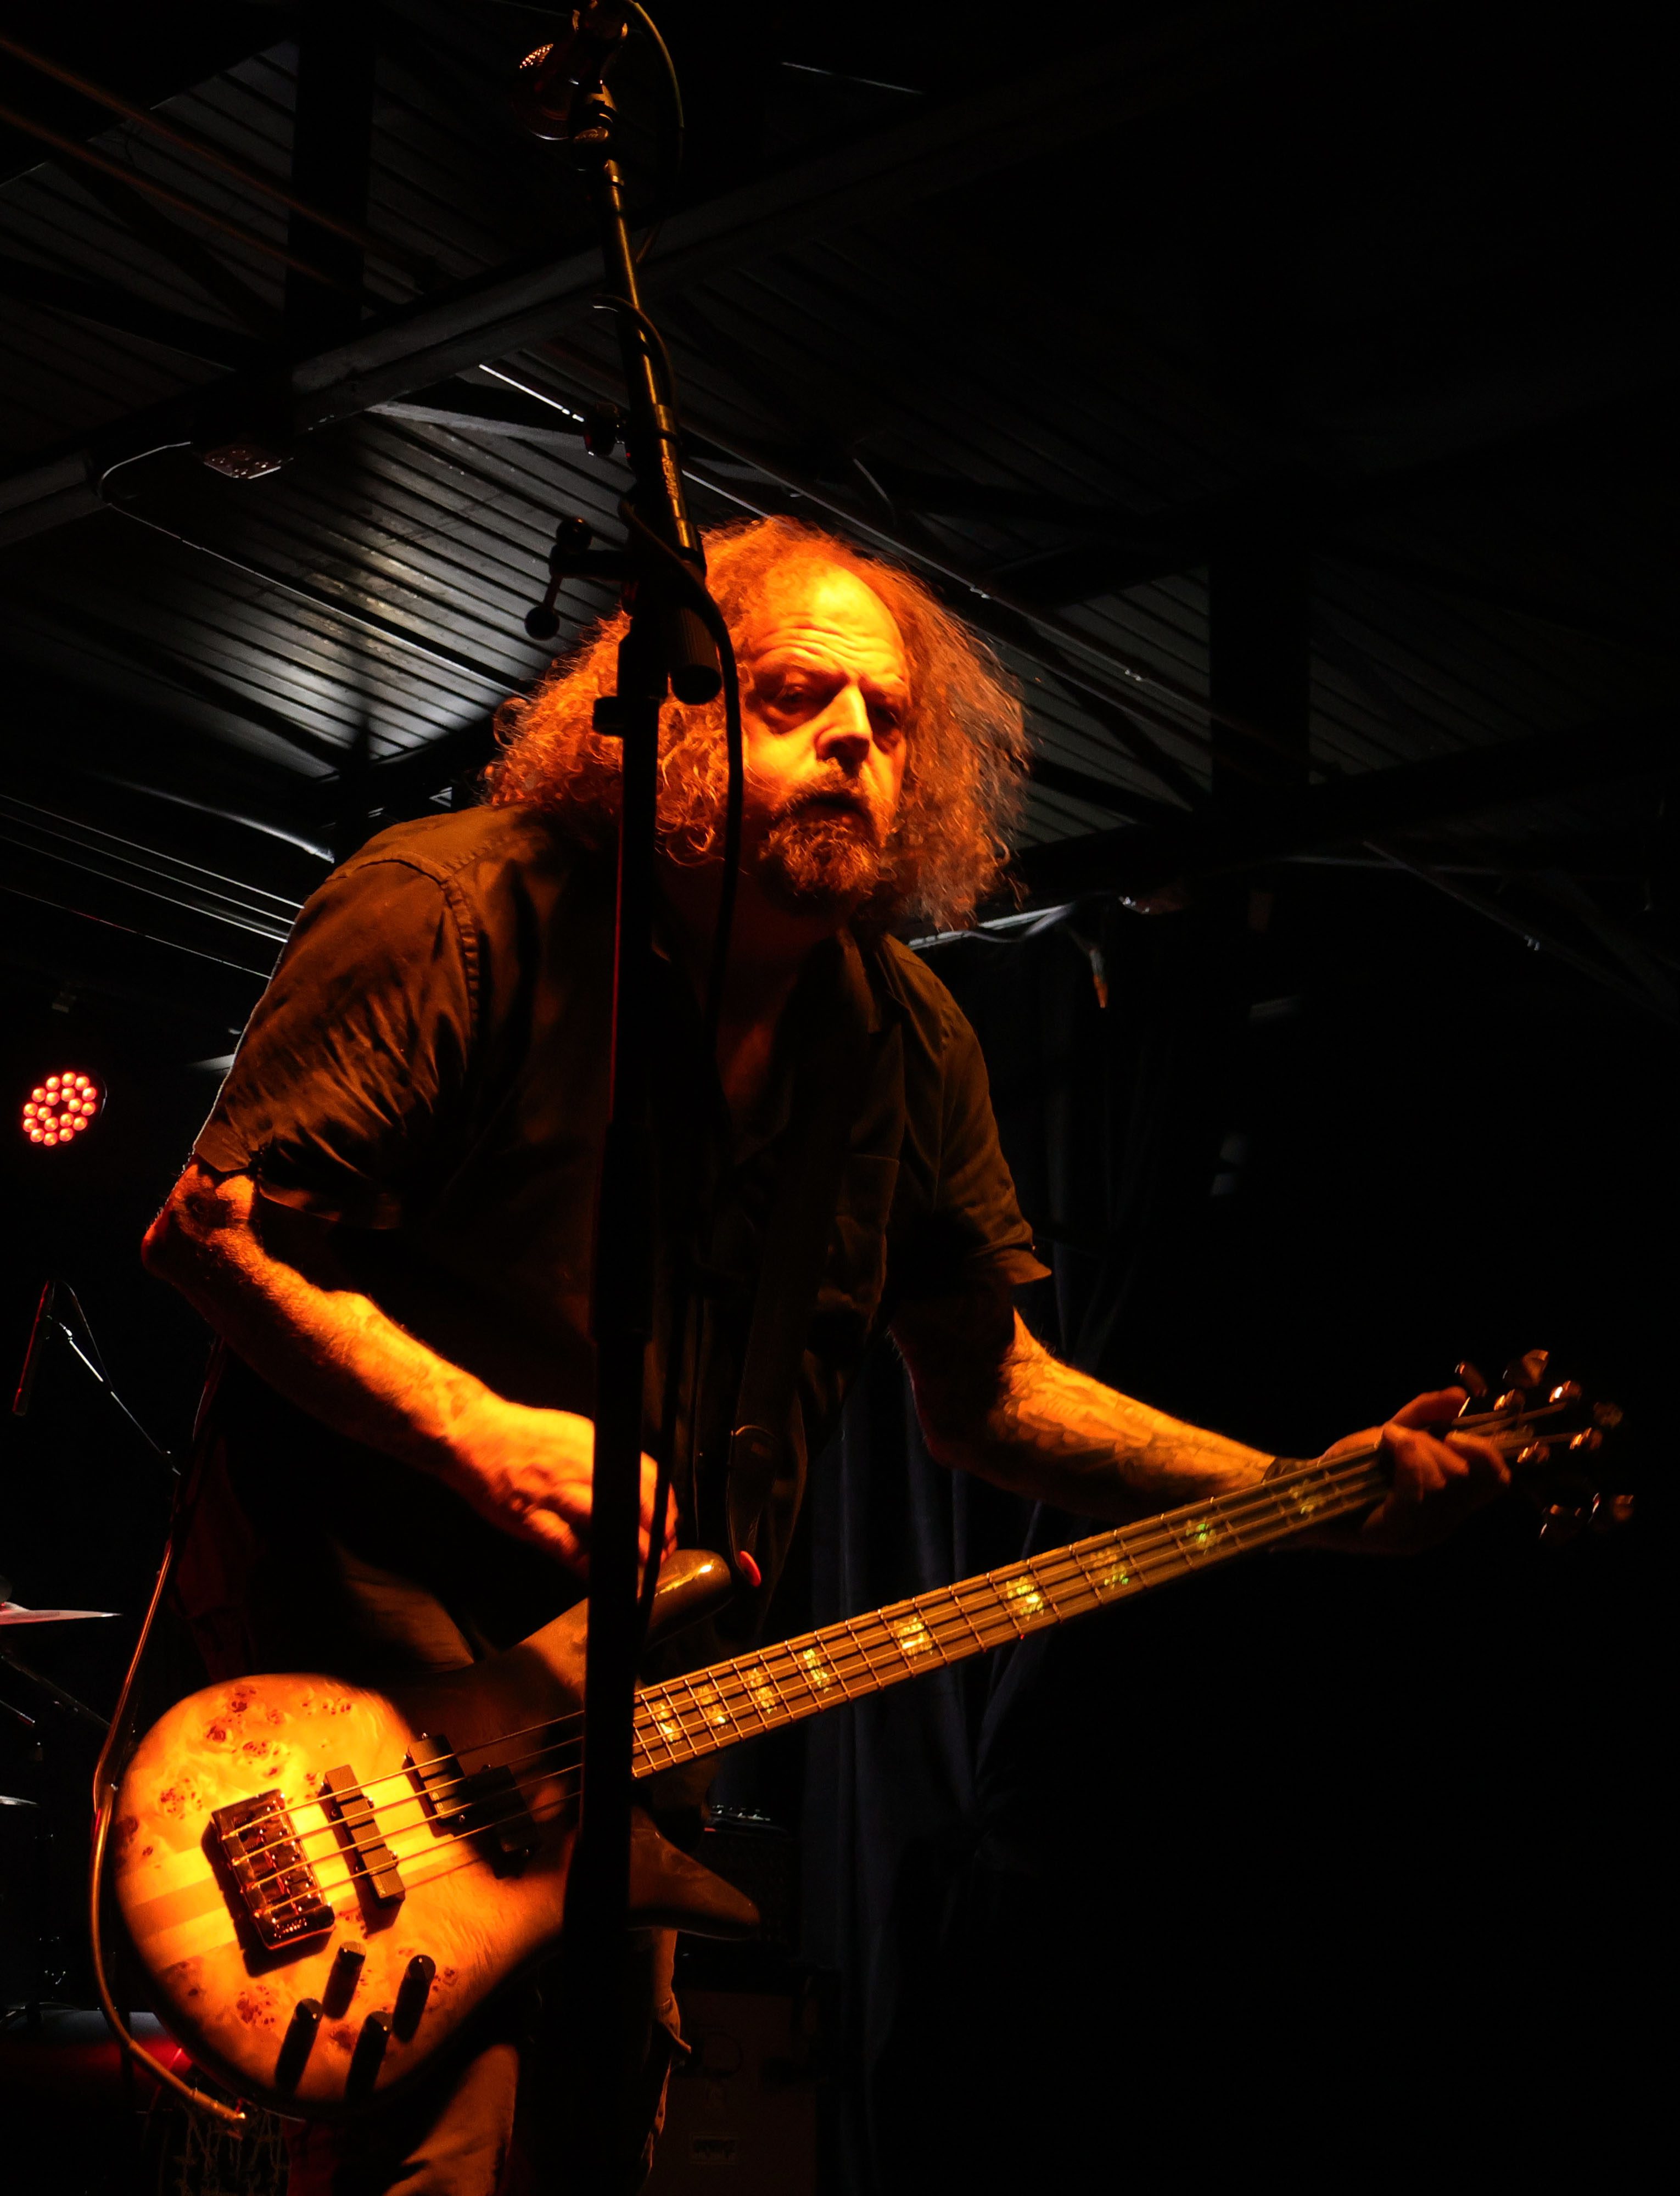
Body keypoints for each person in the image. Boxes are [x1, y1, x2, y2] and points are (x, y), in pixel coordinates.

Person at [142, 514, 1507, 2192]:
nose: (855, 742)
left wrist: (1312, 1493)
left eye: (889, 720)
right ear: (665, 716)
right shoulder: (453, 907)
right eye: (797, 698)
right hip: (363, 1645)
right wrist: (482, 1430)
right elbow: (216, 1233)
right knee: (443, 2148)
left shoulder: (901, 1040)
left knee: (596, 2127)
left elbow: (992, 1397)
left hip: (641, 1686)